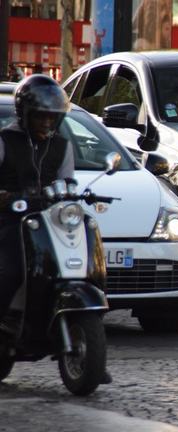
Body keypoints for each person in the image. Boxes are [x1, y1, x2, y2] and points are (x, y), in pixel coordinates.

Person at [0, 75, 73, 319]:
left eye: (52, 117)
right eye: (41, 116)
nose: (47, 122)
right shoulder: (5, 140)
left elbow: (68, 181)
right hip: (11, 217)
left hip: (50, 219)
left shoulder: (62, 146)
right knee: (12, 272)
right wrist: (6, 197)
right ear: (26, 114)